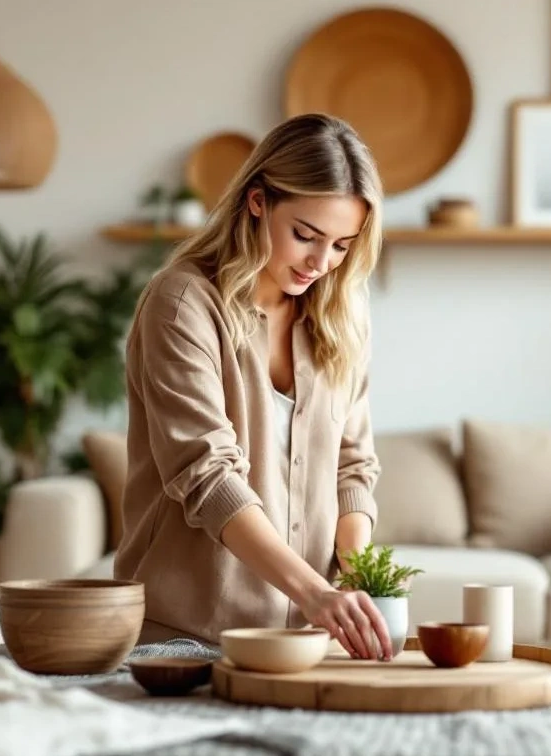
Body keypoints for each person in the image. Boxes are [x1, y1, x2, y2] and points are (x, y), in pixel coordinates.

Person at [114, 113, 394, 661]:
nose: (321, 263)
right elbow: (207, 475)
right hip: (182, 638)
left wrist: (355, 581)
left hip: (303, 643)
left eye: (342, 245)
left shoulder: (341, 314)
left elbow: (353, 466)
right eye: (306, 236)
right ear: (258, 200)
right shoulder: (182, 305)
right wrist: (313, 591)